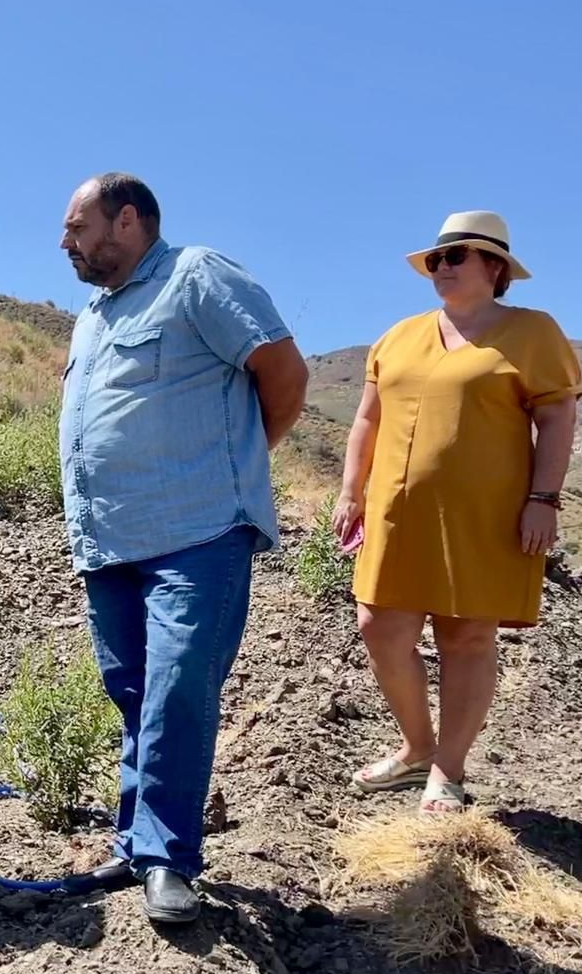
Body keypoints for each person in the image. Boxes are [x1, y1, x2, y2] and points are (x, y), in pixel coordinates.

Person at [57, 173, 308, 924]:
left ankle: (169, 857)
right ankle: (138, 843)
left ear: (125, 220)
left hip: (196, 535)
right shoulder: (93, 315)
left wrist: (234, 458)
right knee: (133, 691)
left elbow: (285, 375)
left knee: (176, 690)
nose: (63, 241)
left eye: (76, 226)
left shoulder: (198, 275)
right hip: (111, 542)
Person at [334, 212, 579, 813]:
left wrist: (543, 500)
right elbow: (368, 418)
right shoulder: (397, 337)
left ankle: (449, 768)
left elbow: (556, 419)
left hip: (488, 513)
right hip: (397, 510)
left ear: (494, 268)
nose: (441, 267)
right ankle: (416, 749)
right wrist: (351, 491)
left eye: (456, 257)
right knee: (380, 625)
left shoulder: (533, 332)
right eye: (436, 260)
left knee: (466, 635)